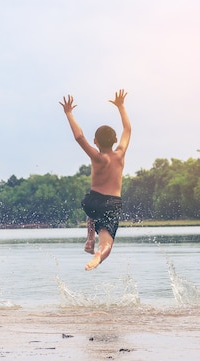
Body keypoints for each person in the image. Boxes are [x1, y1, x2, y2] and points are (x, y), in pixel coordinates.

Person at [60, 89, 131, 270]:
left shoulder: (96, 158)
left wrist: (69, 113)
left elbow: (79, 137)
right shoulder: (120, 154)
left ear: (95, 141)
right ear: (115, 140)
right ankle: (98, 254)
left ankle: (90, 239)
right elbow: (127, 129)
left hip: (92, 201)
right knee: (107, 243)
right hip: (112, 204)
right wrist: (121, 106)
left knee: (90, 208)